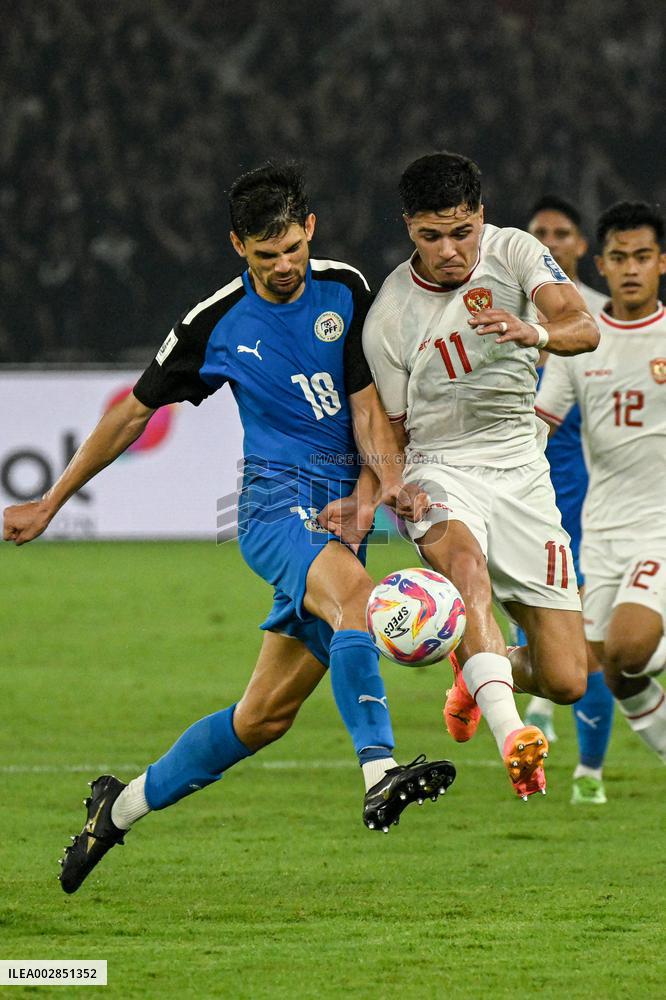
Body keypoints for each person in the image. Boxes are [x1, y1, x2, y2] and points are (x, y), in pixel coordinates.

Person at [3, 163, 455, 894]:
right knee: (359, 602)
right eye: (264, 255)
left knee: (263, 717)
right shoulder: (213, 322)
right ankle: (380, 770)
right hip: (274, 507)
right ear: (237, 246)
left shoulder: (346, 289)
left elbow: (369, 406)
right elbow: (130, 413)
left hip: (342, 513)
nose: (282, 268)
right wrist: (53, 500)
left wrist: (376, 493)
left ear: (310, 229)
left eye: (291, 249)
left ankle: (113, 811)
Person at [360, 152, 599, 799]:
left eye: (461, 232)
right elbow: (390, 423)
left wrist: (535, 330)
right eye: (430, 236)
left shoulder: (517, 253)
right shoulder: (389, 316)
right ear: (409, 227)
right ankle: (512, 736)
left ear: (481, 218)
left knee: (568, 677)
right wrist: (388, 480)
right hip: (443, 466)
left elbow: (584, 328)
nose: (448, 250)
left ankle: (475, 679)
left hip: (523, 472)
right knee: (464, 572)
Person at [535, 200, 666, 798]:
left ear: (661, 263)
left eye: (643, 256)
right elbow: (539, 427)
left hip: (659, 526)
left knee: (630, 646)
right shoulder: (581, 337)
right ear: (603, 264)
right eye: (620, 258)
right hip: (603, 529)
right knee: (602, 670)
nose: (631, 268)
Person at [522, 197, 615, 794]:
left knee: (589, 638)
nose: (552, 243)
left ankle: (588, 769)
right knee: (527, 619)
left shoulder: (609, 318)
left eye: (563, 233)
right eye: (540, 234)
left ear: (583, 246)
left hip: (584, 502)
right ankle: (531, 727)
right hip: (518, 497)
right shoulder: (497, 307)